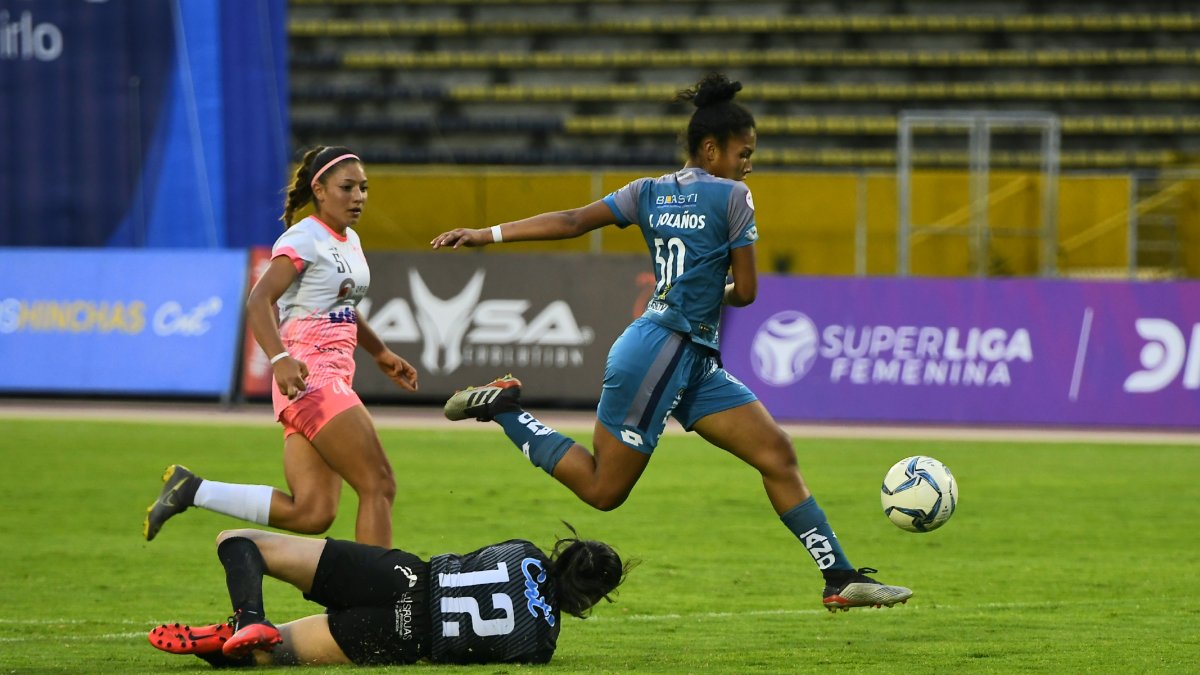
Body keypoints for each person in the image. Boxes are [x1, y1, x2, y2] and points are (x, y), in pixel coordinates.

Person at [430, 74, 911, 612]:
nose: (749, 163)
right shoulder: (734, 196)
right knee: (602, 491)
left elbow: (571, 221)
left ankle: (838, 577)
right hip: (665, 351)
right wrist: (711, 290)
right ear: (712, 149)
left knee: (776, 453)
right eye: (744, 152)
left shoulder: (647, 191)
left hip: (685, 355)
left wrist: (486, 233)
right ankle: (505, 408)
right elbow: (748, 293)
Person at [144, 146, 419, 548]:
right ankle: (376, 600)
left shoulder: (349, 240)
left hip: (320, 379)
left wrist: (379, 352)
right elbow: (259, 299)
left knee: (312, 512)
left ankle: (193, 490)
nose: (358, 196)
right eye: (347, 187)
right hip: (311, 377)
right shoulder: (304, 238)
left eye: (363, 187)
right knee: (378, 484)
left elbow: (342, 305)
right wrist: (279, 359)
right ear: (319, 190)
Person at [147, 525, 631, 667]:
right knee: (267, 656)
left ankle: (248, 614)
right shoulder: (541, 645)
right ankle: (232, 643)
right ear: (590, 598)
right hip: (401, 639)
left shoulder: (523, 552)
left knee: (238, 541)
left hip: (400, 577)